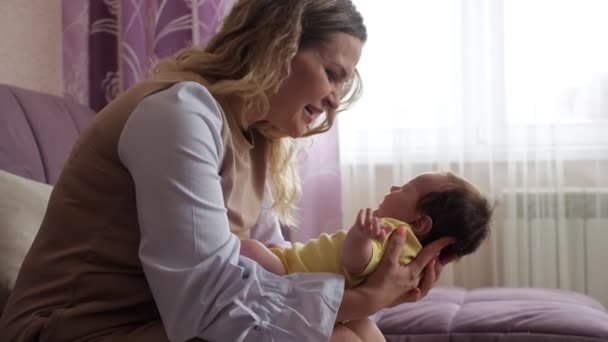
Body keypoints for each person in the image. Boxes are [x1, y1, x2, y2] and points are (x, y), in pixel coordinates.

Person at [0, 1, 455, 341]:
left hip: (156, 320)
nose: (336, 97)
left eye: (344, 81)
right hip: (74, 328)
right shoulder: (180, 114)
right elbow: (203, 302)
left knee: (357, 331)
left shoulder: (257, 139)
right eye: (332, 72)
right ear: (276, 46)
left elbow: (278, 271)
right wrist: (361, 299)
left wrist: (376, 284)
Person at [241, 171, 492, 340]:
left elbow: (357, 262)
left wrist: (360, 238)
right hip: (319, 289)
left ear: (420, 223)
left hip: (294, 277)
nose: (394, 187)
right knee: (367, 332)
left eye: (405, 189)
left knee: (249, 249)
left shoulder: (394, 234)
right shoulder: (411, 256)